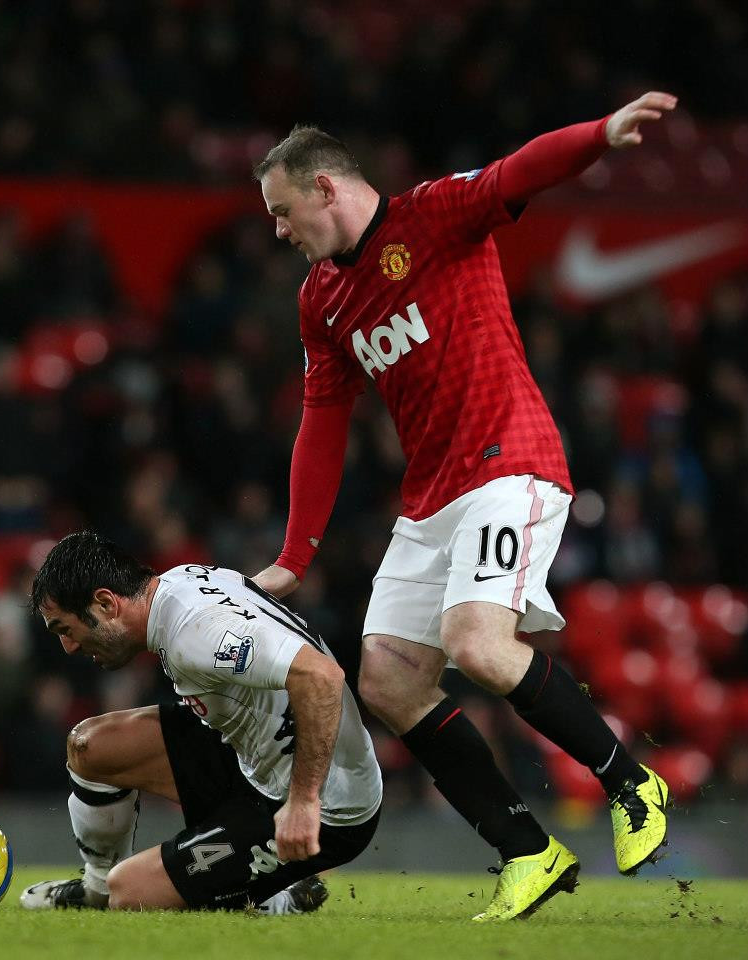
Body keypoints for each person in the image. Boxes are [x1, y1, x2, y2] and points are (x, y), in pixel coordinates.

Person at [252, 92, 677, 921]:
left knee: (477, 643)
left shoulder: (436, 215)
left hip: (509, 461)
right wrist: (294, 554)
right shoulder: (321, 300)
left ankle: (633, 785)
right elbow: (322, 424)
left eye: (281, 210)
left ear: (327, 187)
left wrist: (600, 134)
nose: (277, 230)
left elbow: (522, 170)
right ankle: (528, 852)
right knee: (385, 678)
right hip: (432, 495)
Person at [20, 531, 382, 915]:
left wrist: (304, 801)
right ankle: (95, 889)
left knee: (130, 892)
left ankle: (276, 898)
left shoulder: (196, 633)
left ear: (106, 603)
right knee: (90, 746)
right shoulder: (180, 583)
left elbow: (322, 676)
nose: (69, 646)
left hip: (326, 807)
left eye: (65, 629)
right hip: (250, 757)